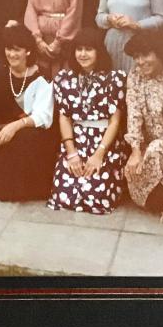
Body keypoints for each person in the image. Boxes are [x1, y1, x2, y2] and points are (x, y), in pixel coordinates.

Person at [47, 27, 128, 215]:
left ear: (98, 51)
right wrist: (71, 152)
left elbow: (114, 121)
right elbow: (64, 116)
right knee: (64, 196)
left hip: (105, 143)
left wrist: (99, 154)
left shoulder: (115, 79)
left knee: (96, 198)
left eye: (89, 49)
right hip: (76, 141)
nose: (83, 54)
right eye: (79, 49)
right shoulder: (64, 79)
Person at [0, 25, 56, 202]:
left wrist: (14, 127)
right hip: (3, 130)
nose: (11, 54)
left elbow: (43, 116)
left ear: (28, 51)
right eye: (8, 49)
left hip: (35, 132)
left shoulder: (42, 75)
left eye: (17, 50)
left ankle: (25, 190)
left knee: (23, 138)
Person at [122, 31, 163, 214]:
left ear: (159, 53)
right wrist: (136, 149)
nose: (140, 62)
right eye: (136, 57)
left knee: (155, 149)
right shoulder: (135, 75)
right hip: (145, 143)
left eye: (146, 55)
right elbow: (134, 113)